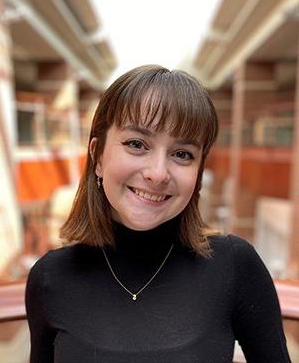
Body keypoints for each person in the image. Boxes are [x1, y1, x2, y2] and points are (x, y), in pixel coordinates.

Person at [25, 65, 291, 362]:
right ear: (98, 155)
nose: (157, 173)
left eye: (182, 154)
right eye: (136, 144)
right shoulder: (50, 277)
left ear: (198, 171)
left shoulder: (234, 266)